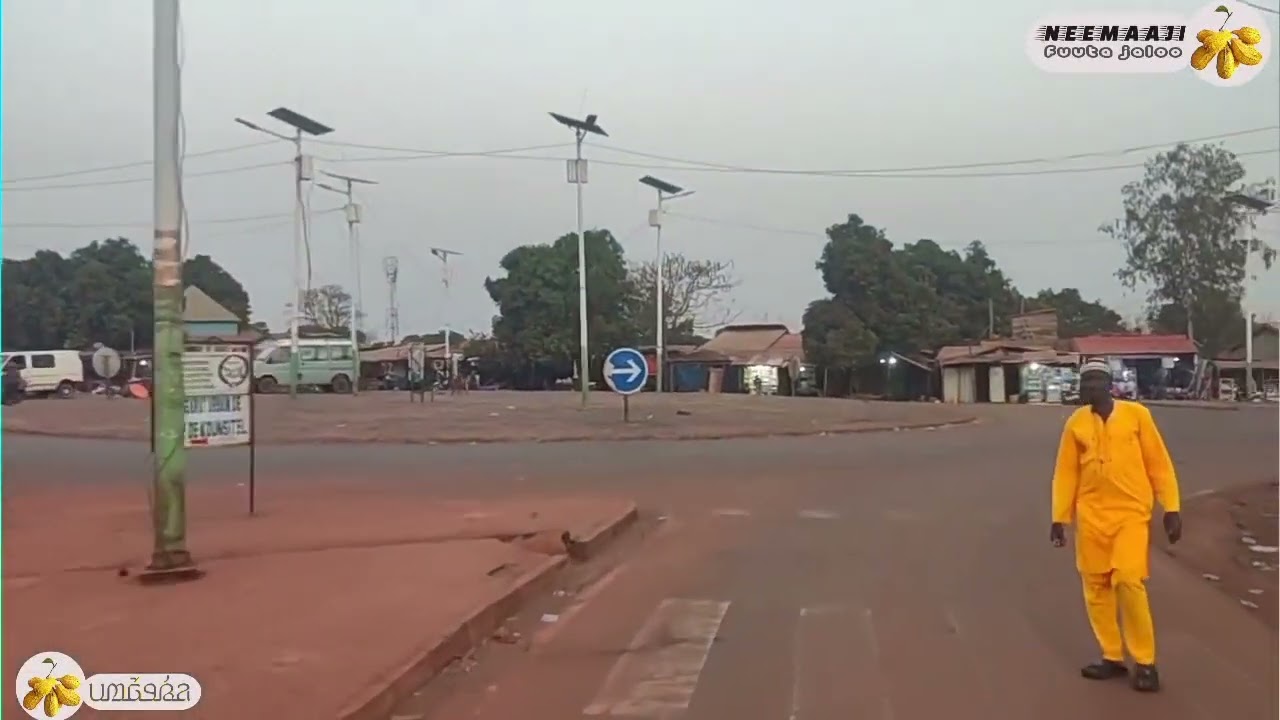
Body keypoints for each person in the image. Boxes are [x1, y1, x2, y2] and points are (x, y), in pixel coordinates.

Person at [1050, 359, 1182, 693]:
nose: (1088, 388)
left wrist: (1171, 507)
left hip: (1131, 514)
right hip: (1091, 516)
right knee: (1096, 586)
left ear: (1109, 385)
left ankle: (1146, 661)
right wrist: (1059, 517)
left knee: (1128, 579)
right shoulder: (1075, 423)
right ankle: (1111, 656)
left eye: (1095, 381)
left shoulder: (1137, 416)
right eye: (1084, 383)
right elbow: (1066, 473)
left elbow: (1159, 464)